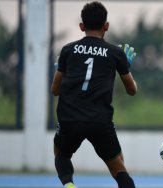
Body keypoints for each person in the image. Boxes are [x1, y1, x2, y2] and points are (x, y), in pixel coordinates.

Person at [51, 2, 137, 188]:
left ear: (81, 26)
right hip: (100, 121)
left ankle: (69, 185)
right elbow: (132, 91)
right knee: (118, 168)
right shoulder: (116, 53)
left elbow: (55, 90)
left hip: (69, 118)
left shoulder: (68, 50)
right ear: (106, 26)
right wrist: (125, 66)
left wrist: (60, 69)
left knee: (61, 154)